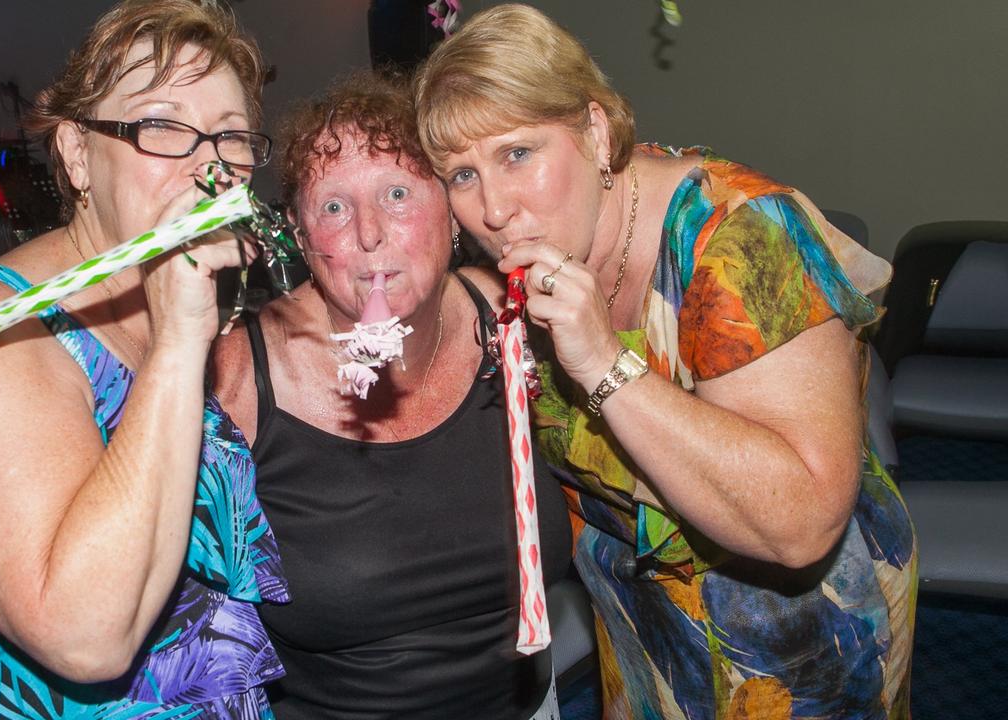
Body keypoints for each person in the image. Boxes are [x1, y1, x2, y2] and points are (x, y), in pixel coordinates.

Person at [414, 5, 916, 717]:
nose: (493, 208)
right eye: (461, 175)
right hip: (642, 622)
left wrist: (602, 366)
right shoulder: (529, 265)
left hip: (802, 641)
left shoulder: (739, 242)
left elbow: (802, 525)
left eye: (517, 154)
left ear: (593, 129)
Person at [0, 2, 288, 717]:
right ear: (74, 153)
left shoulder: (174, 309)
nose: (210, 163)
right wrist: (184, 340)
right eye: (161, 124)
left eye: (231, 134)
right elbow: (84, 636)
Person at [211, 72, 573, 719]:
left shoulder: (516, 318)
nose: (369, 233)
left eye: (398, 193)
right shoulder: (239, 375)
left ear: (452, 213)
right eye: (333, 208)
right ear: (298, 235)